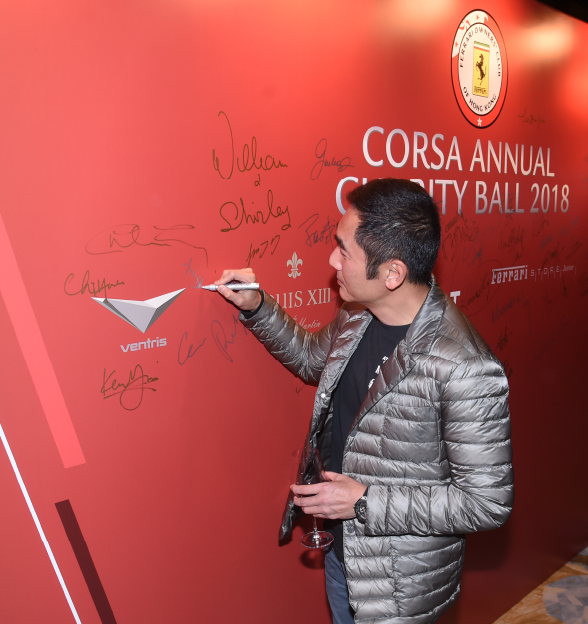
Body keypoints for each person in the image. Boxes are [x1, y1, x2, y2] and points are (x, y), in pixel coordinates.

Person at [214, 178, 513, 624]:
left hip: (399, 587)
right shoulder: (357, 314)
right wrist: (256, 305)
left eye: (344, 250)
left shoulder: (465, 365)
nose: (332, 260)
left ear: (392, 273)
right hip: (343, 554)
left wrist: (364, 502)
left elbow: (486, 503)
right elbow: (312, 360)